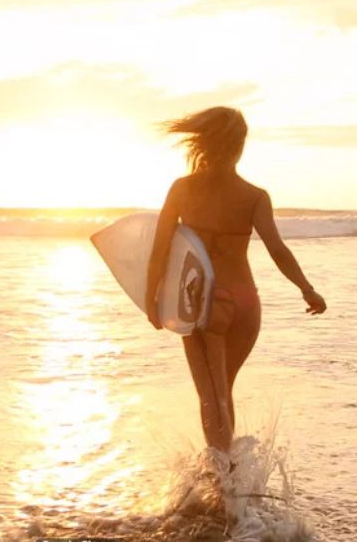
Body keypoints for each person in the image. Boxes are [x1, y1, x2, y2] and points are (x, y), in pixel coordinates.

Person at [146, 107, 326, 454]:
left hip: (205, 302)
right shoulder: (254, 196)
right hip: (245, 303)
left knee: (210, 396)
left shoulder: (182, 189)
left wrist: (151, 298)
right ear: (239, 146)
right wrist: (307, 289)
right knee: (224, 389)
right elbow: (278, 249)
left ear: (204, 142)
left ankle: (224, 483)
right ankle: (232, 478)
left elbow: (159, 249)